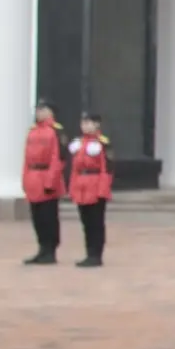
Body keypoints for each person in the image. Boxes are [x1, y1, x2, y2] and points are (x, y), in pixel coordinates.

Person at [22, 99, 67, 266]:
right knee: (37, 218)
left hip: (47, 178)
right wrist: (25, 180)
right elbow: (27, 159)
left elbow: (58, 159)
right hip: (33, 178)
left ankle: (50, 250)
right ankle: (42, 249)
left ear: (51, 112)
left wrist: (50, 182)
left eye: (43, 109)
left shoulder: (56, 132)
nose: (39, 113)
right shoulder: (32, 132)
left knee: (49, 217)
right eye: (38, 109)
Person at [66, 112, 113, 268]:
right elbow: (75, 169)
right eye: (83, 123)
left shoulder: (103, 143)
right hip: (82, 186)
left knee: (96, 222)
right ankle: (89, 253)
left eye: (88, 123)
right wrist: (72, 188)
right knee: (86, 222)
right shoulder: (79, 144)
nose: (85, 126)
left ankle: (96, 254)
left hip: (95, 186)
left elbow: (107, 169)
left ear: (97, 124)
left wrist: (103, 190)